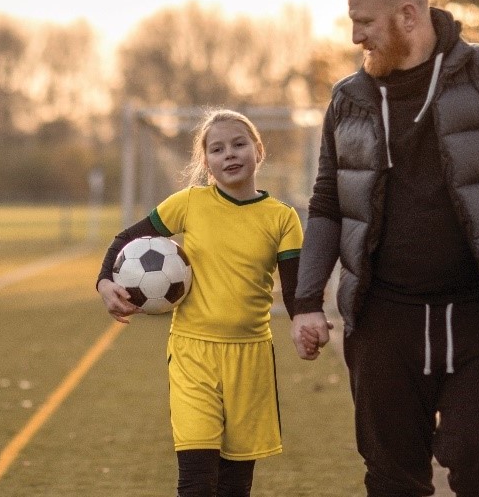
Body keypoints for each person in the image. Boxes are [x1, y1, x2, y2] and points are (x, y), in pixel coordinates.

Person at [291, 0, 479, 497]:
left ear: (408, 15)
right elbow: (326, 205)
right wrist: (307, 301)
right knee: (393, 480)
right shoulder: (348, 99)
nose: (355, 36)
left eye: (365, 21)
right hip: (383, 322)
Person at [96, 108, 315, 497]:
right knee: (196, 481)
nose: (229, 154)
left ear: (258, 151)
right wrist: (105, 282)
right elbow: (123, 241)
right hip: (192, 353)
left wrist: (303, 323)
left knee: (234, 486)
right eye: (217, 149)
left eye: (238, 144)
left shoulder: (282, 218)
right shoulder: (189, 203)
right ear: (206, 163)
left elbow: (295, 289)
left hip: (250, 358)